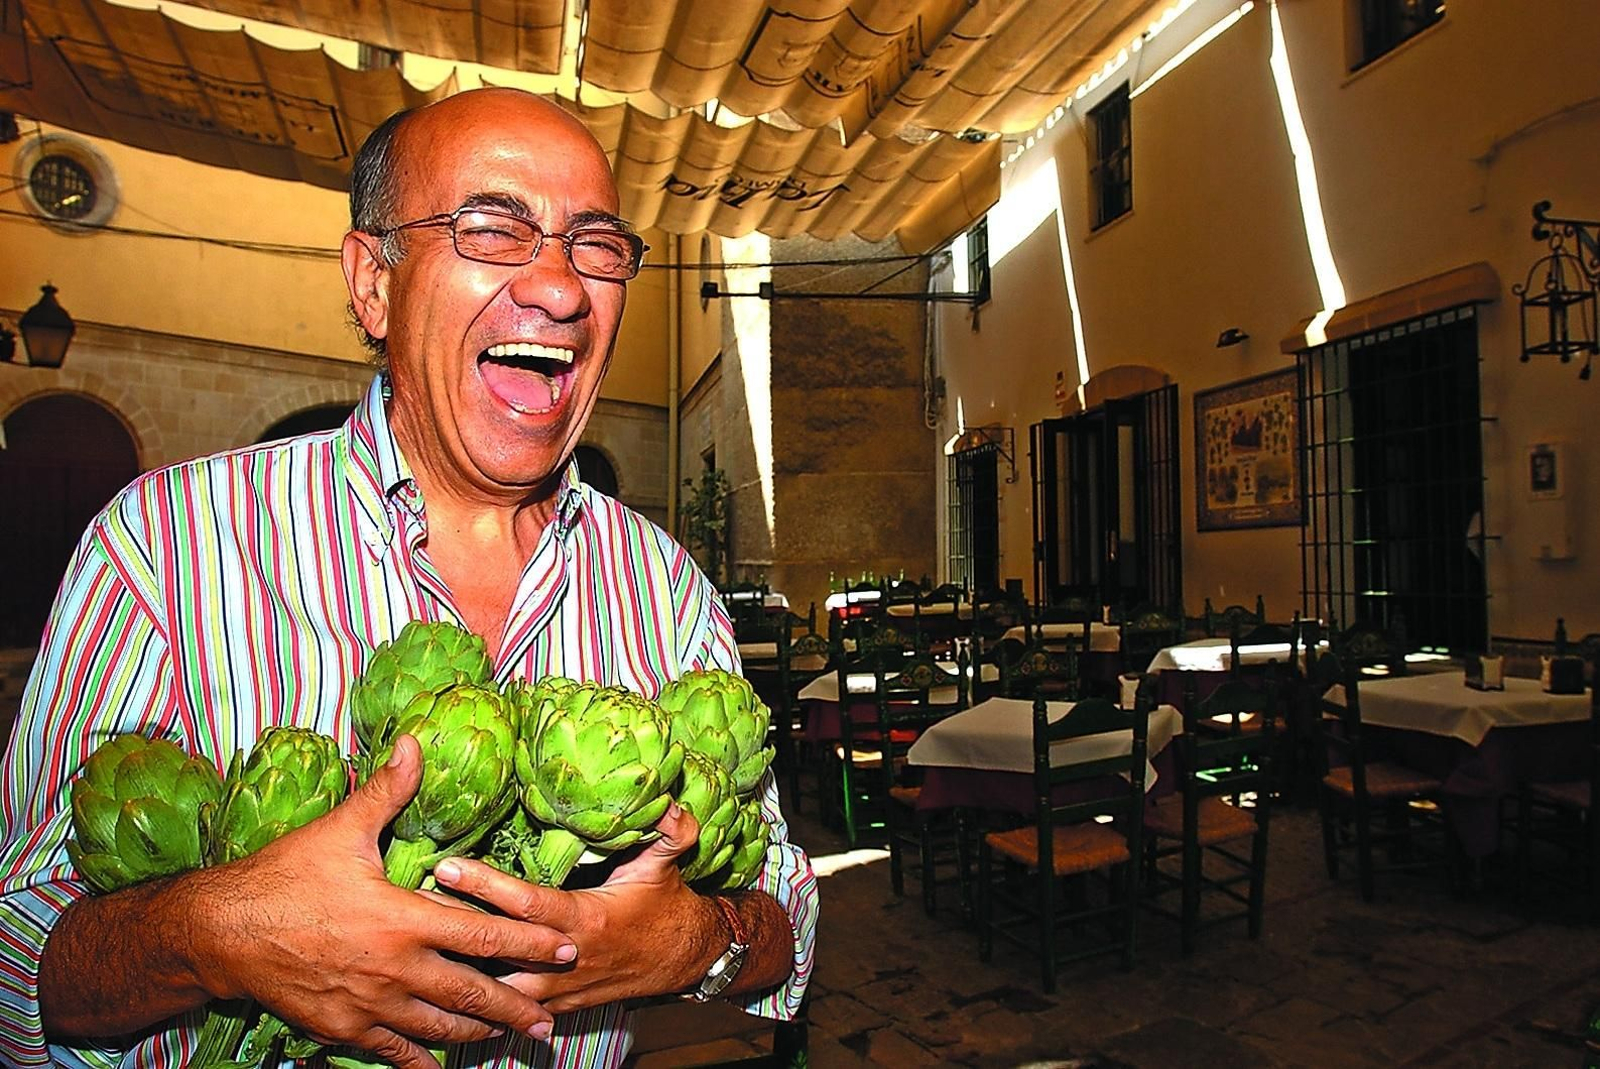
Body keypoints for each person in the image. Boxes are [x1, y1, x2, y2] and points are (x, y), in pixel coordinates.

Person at [0, 88, 816, 1067]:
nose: (560, 288)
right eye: (491, 229)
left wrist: (693, 942)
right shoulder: (164, 546)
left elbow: (785, 912)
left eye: (596, 245)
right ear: (373, 283)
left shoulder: (667, 588)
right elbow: (17, 951)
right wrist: (213, 933)